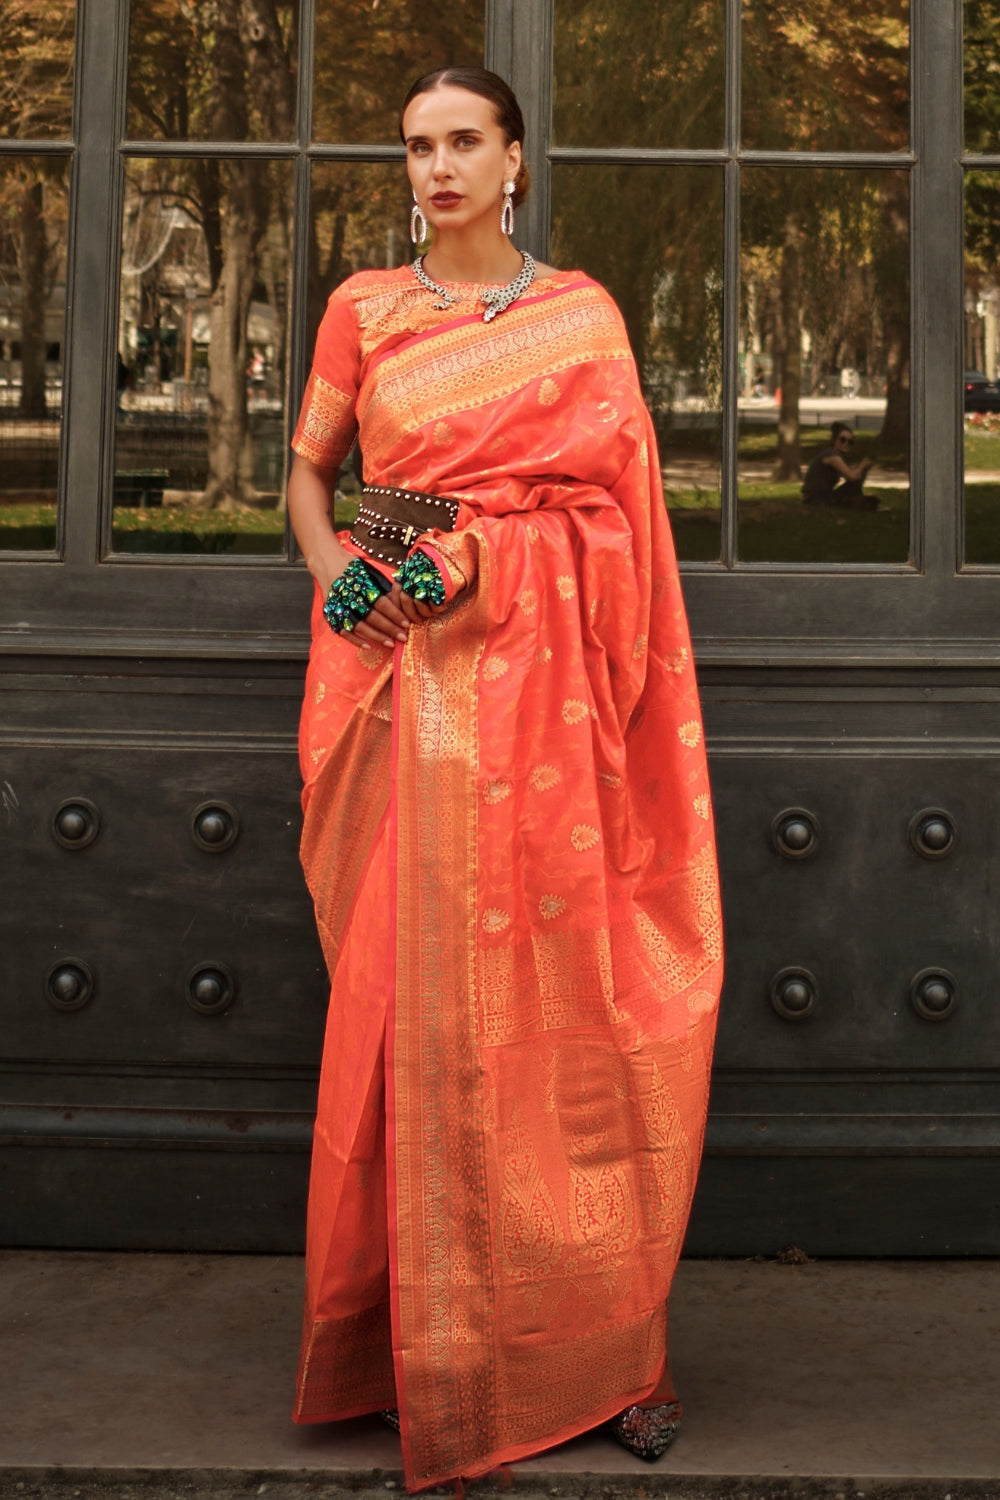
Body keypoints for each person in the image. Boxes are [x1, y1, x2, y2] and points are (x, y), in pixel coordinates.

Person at [286, 66, 723, 1494]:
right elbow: (323, 481)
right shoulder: (366, 310)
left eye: (464, 141)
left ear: (517, 160)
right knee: (413, 1032)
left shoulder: (579, 318)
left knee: (573, 1030)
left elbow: (617, 516)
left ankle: (606, 1356)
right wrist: (348, 567)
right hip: (415, 714)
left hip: (558, 735)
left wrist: (495, 549)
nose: (439, 166)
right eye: (417, 146)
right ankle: (420, 1353)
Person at [802, 421, 875, 508]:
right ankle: (860, 502)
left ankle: (859, 501)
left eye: (850, 442)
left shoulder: (835, 455)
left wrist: (863, 469)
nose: (846, 444)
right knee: (856, 480)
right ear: (834, 440)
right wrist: (862, 466)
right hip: (816, 497)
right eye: (842, 440)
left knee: (858, 478)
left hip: (822, 495)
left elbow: (850, 475)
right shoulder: (832, 456)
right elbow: (851, 477)